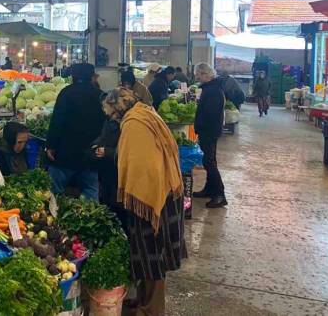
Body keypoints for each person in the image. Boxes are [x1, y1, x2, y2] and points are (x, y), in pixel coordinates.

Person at [102, 88, 186, 316]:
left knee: (152, 258)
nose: (111, 118)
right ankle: (143, 300)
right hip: (164, 193)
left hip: (150, 199)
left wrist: (136, 195)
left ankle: (152, 309)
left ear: (118, 108)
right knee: (145, 256)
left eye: (111, 113)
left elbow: (140, 167)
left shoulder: (133, 124)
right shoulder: (145, 112)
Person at [46, 63, 105, 200]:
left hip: (66, 152)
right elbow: (105, 124)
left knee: (55, 192)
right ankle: (92, 218)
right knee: (91, 191)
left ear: (73, 76)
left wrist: (51, 145)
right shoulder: (100, 95)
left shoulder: (66, 93)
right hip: (91, 154)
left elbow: (57, 121)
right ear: (92, 77)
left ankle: (54, 218)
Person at [193, 63, 227, 208]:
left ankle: (220, 194)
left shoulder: (213, 91)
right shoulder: (211, 88)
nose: (197, 77)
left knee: (209, 162)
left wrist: (200, 125)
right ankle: (209, 189)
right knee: (208, 160)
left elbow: (211, 114)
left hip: (209, 131)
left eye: (199, 75)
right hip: (208, 130)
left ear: (206, 74)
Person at [91, 111, 127, 231]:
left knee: (120, 208)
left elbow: (126, 151)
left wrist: (107, 152)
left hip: (120, 174)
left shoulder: (127, 124)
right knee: (109, 204)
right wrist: (96, 145)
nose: (106, 111)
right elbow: (103, 137)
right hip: (107, 171)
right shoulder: (109, 121)